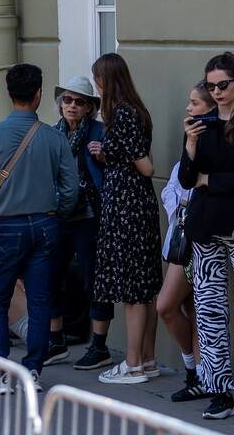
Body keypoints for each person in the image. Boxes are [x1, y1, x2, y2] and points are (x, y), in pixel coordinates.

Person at [0, 63, 77, 393]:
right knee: (41, 301)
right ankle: (32, 370)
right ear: (39, 95)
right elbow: (71, 188)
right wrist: (57, 215)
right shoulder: (53, 137)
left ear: (9, 94)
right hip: (45, 225)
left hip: (6, 227)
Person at [177, 52, 234, 419]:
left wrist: (208, 180)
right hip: (205, 230)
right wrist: (190, 147)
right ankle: (219, 392)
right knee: (210, 312)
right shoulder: (201, 122)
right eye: (211, 85)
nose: (216, 92)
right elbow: (185, 180)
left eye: (223, 85)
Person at [90, 53, 162, 386]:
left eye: (98, 78)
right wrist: (107, 155)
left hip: (126, 206)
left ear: (108, 80)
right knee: (145, 287)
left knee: (133, 290)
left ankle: (133, 365)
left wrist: (115, 156)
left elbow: (145, 165)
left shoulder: (121, 114)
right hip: (138, 205)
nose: (96, 84)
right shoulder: (139, 111)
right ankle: (147, 361)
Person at [44, 76, 113, 369]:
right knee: (49, 276)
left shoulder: (100, 132)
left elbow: (116, 172)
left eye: (79, 101)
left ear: (90, 107)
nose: (71, 106)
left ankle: (99, 346)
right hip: (58, 214)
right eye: (67, 100)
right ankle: (56, 340)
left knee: (94, 279)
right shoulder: (51, 134)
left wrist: (104, 157)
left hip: (89, 216)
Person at [158, 81, 216, 403]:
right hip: (181, 236)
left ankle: (197, 373)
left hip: (198, 239)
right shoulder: (192, 136)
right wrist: (178, 204)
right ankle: (198, 375)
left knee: (166, 306)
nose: (188, 108)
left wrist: (185, 202)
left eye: (194, 103)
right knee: (184, 307)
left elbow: (197, 187)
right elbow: (175, 185)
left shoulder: (213, 140)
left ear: (209, 106)